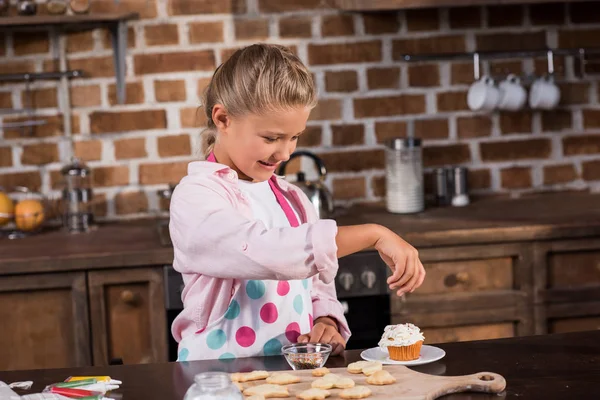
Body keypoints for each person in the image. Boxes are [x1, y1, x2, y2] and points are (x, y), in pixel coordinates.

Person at [169, 43, 426, 362]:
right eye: (271, 138)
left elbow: (318, 285)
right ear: (223, 119)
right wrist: (373, 234)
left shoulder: (293, 198)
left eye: (294, 137)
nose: (286, 153)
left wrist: (326, 321)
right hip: (217, 378)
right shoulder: (196, 196)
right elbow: (263, 251)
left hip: (293, 377)